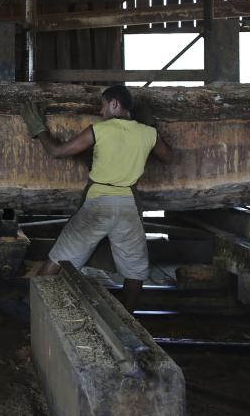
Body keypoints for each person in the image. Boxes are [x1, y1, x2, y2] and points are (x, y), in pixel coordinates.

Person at [19, 84, 172, 312]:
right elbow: (168, 157)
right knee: (135, 269)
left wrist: (38, 128)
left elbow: (57, 152)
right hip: (127, 207)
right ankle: (127, 317)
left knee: (59, 256)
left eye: (103, 106)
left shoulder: (100, 130)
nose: (101, 112)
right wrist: (149, 129)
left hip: (99, 203)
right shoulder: (148, 133)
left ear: (115, 104)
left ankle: (28, 307)